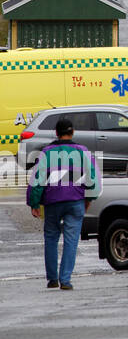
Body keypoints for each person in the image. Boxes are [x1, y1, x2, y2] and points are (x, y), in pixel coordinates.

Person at [26, 117, 99, 289]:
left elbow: (38, 179)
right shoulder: (82, 151)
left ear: (57, 133)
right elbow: (92, 178)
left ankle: (52, 279)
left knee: (51, 237)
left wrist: (34, 202)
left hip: (53, 202)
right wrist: (88, 199)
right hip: (75, 201)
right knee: (71, 240)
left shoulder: (46, 153)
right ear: (72, 132)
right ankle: (65, 280)